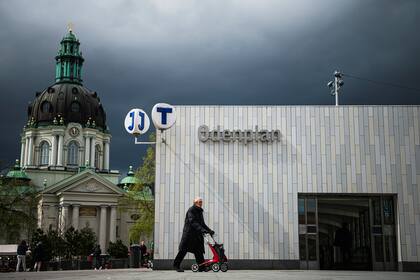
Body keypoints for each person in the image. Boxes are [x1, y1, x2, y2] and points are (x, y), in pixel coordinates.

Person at [173, 197, 214, 272]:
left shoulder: (200, 211)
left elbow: (202, 224)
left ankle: (202, 267)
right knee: (183, 250)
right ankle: (176, 265)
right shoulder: (191, 210)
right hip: (189, 235)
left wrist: (209, 230)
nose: (201, 203)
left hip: (197, 235)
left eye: (201, 202)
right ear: (195, 203)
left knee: (199, 251)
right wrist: (202, 230)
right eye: (199, 202)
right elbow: (193, 222)